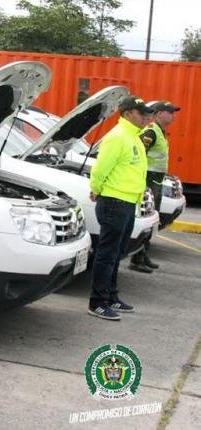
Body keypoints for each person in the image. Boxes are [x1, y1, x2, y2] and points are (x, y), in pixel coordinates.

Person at [88, 95, 153, 321]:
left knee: (117, 253)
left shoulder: (133, 136)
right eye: (140, 113)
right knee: (107, 255)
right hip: (114, 202)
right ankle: (97, 302)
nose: (145, 117)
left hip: (127, 202)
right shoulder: (118, 137)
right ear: (127, 114)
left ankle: (111, 296)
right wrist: (96, 188)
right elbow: (100, 169)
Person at [129, 100, 180, 273]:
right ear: (159, 114)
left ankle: (143, 255)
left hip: (156, 180)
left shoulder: (160, 131)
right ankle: (137, 259)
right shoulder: (151, 131)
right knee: (148, 219)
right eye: (170, 112)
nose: (173, 116)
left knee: (152, 220)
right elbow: (139, 154)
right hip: (148, 180)